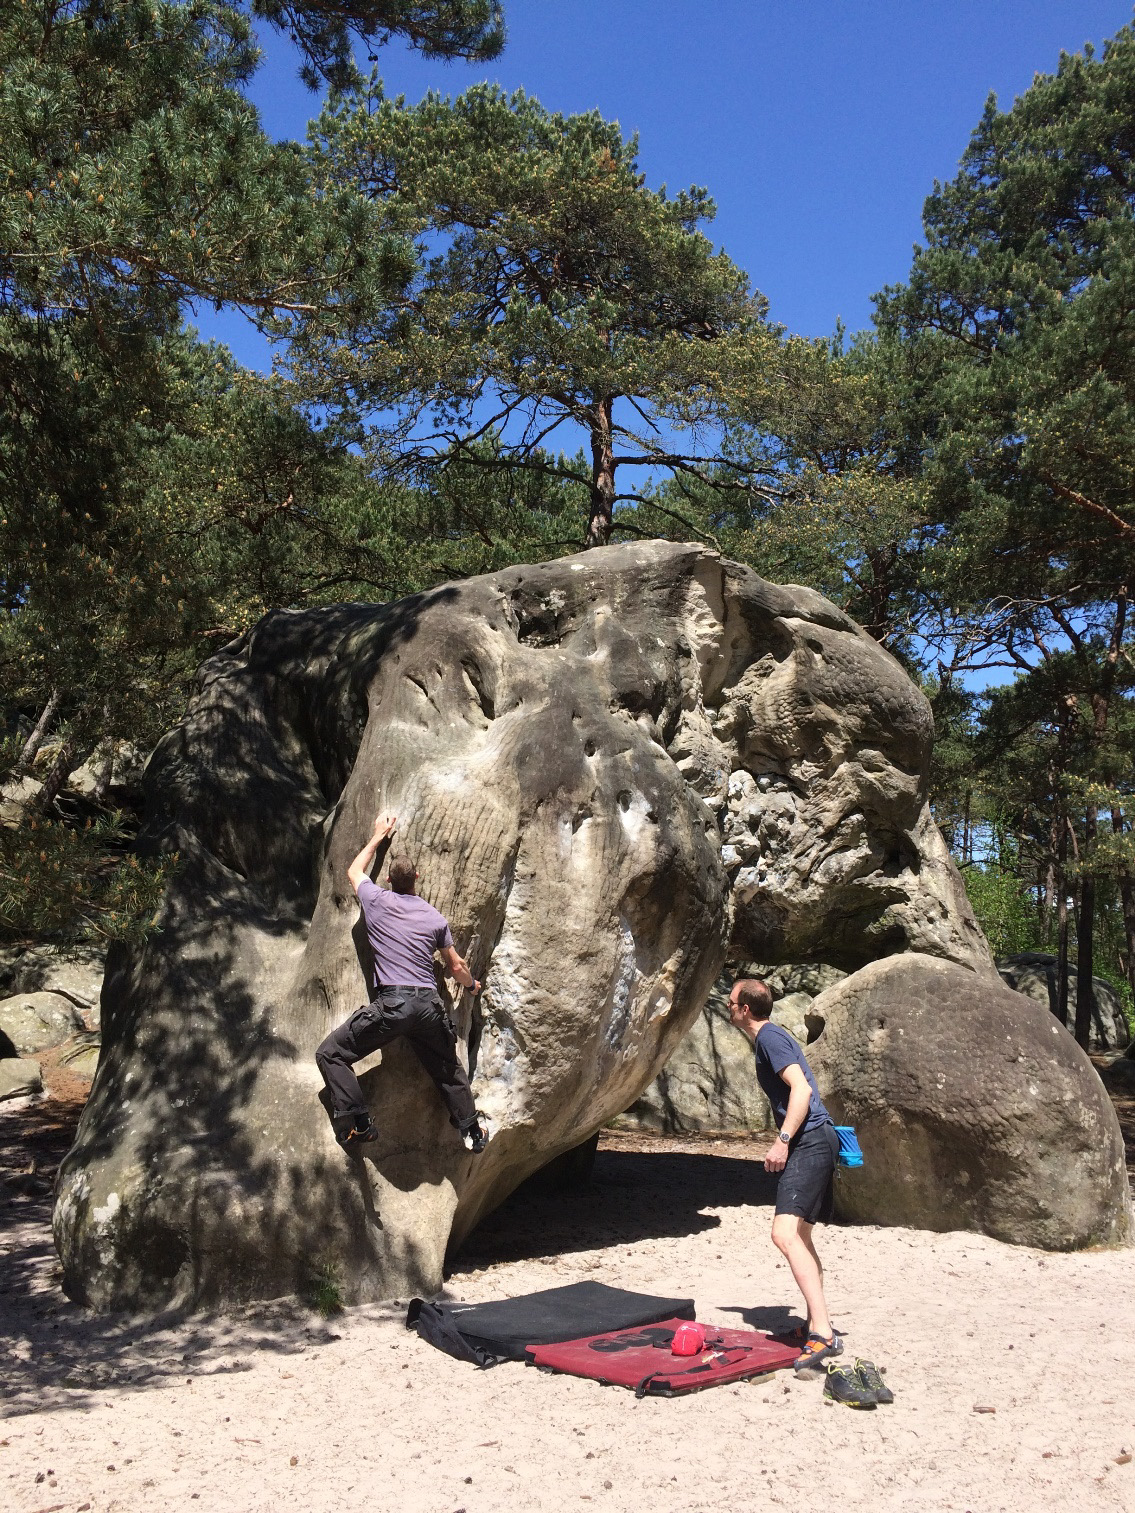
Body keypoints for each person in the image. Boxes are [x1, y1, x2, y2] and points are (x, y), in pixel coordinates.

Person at [316, 812, 488, 1154]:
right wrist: (471, 987)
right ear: (418, 879)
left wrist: (379, 835)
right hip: (428, 1007)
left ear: (391, 882)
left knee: (330, 1054)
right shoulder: (433, 917)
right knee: (447, 1068)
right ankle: (472, 1132)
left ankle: (360, 1123)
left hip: (394, 1006)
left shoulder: (377, 900)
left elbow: (354, 872)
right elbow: (455, 966)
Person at [727, 976, 842, 1374]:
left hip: (809, 1140)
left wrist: (782, 1140)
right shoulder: (773, 1037)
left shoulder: (770, 1038)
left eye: (730, 1002)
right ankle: (814, 1322)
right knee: (802, 1236)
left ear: (745, 1008)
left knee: (784, 1234)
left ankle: (823, 1332)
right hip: (817, 1140)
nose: (728, 1008)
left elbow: (802, 1090)